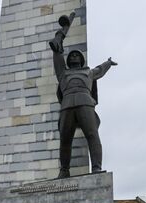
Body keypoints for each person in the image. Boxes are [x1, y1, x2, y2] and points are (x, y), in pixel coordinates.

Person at [50, 19, 117, 178]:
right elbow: (56, 50)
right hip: (66, 106)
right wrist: (60, 34)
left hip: (85, 104)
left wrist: (108, 63)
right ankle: (64, 170)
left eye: (76, 55)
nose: (73, 56)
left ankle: (96, 168)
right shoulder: (62, 73)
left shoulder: (89, 72)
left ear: (81, 59)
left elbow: (100, 69)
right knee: (65, 140)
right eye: (71, 55)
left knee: (92, 135)